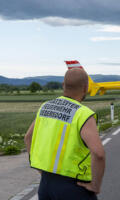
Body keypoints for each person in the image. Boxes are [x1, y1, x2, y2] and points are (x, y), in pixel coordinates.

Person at [24, 68, 105, 200]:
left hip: (46, 186)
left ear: (63, 85)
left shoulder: (45, 107)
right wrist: (95, 185)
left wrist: (42, 171)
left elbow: (28, 138)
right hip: (74, 187)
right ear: (86, 88)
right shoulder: (83, 114)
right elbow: (99, 154)